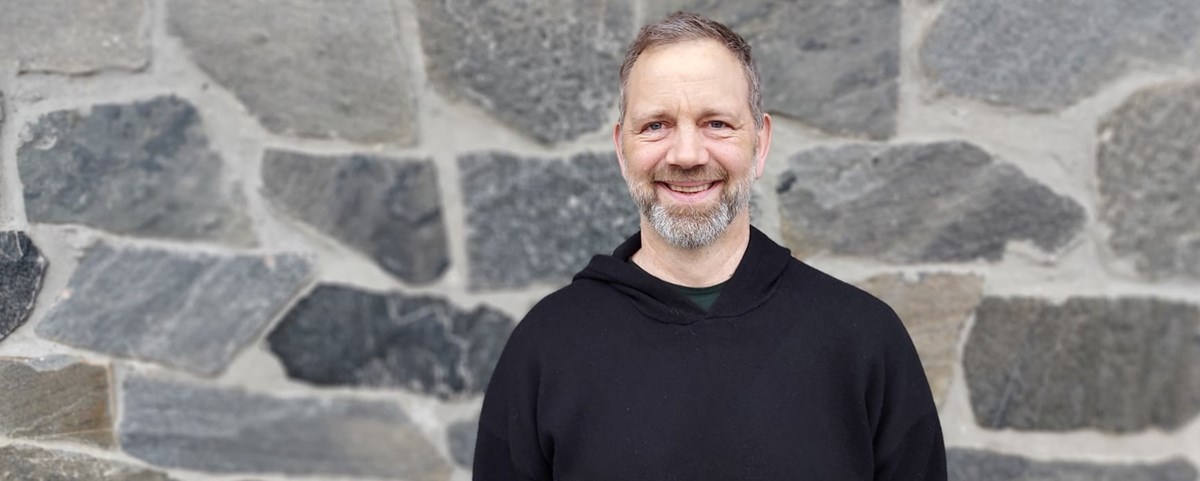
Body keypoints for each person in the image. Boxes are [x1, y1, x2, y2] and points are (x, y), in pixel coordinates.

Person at [473, 11, 946, 480]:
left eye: (716, 123)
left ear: (760, 144)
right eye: (656, 125)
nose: (687, 155)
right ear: (621, 149)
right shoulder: (547, 347)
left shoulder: (864, 341)